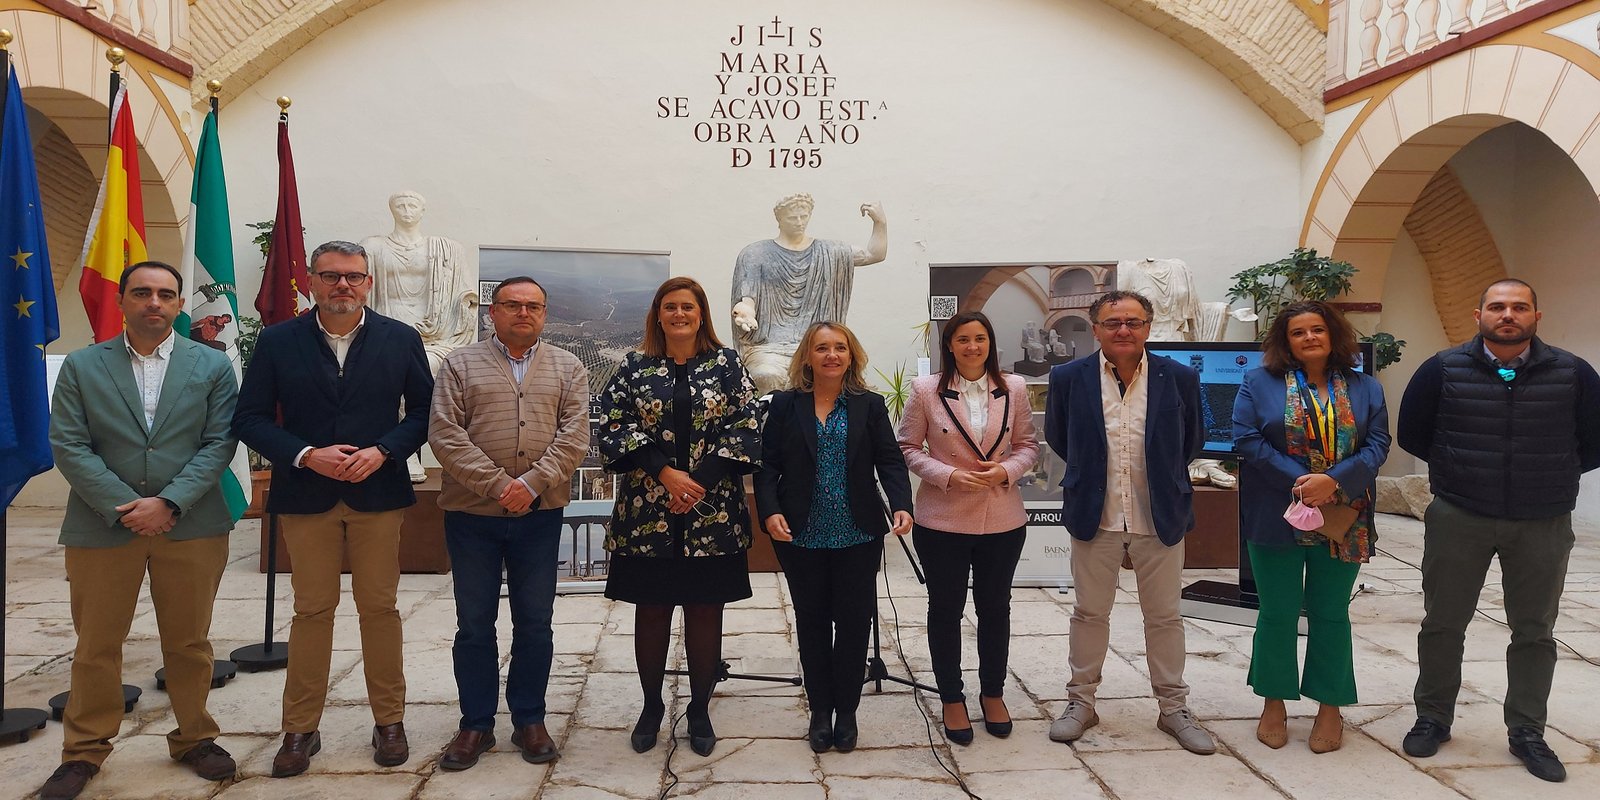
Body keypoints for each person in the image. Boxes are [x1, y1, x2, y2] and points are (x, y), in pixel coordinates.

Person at [40, 262, 241, 800]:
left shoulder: (213, 366)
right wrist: (125, 506)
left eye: (166, 294)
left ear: (179, 304)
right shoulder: (83, 366)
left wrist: (170, 501)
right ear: (124, 300)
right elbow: (69, 444)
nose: (155, 302)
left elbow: (220, 442)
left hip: (192, 522)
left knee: (190, 640)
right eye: (142, 292)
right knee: (97, 644)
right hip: (103, 524)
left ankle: (196, 736)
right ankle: (83, 752)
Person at [233, 240, 434, 778]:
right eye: (330, 276)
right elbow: (249, 418)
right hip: (307, 495)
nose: (342, 285)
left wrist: (385, 449)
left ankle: (389, 721)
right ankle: (300, 729)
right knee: (312, 612)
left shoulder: (400, 338)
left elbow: (424, 413)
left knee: (380, 610)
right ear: (312, 282)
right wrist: (304, 454)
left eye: (353, 276)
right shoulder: (279, 341)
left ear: (369, 283)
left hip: (378, 492)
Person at [1397, 279, 1600, 783]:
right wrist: (1462, 473)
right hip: (1460, 515)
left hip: (1542, 519)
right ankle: (1433, 717)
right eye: (1497, 307)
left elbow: (1595, 441)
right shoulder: (1442, 369)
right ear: (1478, 314)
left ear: (1536, 315)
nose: (1507, 314)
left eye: (1518, 307)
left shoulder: (1574, 373)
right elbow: (1414, 434)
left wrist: (1550, 476)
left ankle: (1527, 730)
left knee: (1535, 631)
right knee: (1443, 622)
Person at [1043, 290, 1215, 755]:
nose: (1124, 330)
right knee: (1089, 613)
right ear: (1096, 328)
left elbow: (1191, 439)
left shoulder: (1177, 377)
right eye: (1113, 322)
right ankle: (1081, 702)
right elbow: (1060, 436)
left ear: (1148, 327)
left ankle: (1173, 708)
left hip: (1158, 515)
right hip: (1094, 514)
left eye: (1134, 322)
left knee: (1164, 616)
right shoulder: (1068, 377)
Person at [428, 276, 589, 770]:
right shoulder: (459, 364)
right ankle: (475, 724)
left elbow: (575, 435)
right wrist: (499, 485)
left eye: (533, 306)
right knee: (474, 624)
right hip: (472, 515)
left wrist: (533, 484)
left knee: (535, 623)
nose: (523, 313)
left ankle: (529, 719)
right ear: (492, 312)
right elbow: (445, 435)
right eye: (512, 305)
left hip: (539, 517)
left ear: (544, 314)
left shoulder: (568, 367)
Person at [598, 276, 761, 757]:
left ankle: (701, 709)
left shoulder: (728, 364)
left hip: (712, 514)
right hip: (648, 512)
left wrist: (699, 481)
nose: (679, 315)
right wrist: (665, 473)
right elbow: (613, 422)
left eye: (687, 307)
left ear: (701, 313)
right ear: (658, 314)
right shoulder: (634, 367)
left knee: (705, 611)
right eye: (670, 307)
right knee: (651, 610)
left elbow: (748, 424)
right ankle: (651, 707)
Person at [1232, 301, 1390, 753]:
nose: (1308, 338)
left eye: (1317, 330)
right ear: (1285, 341)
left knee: (1330, 612)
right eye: (1297, 332)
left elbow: (1378, 444)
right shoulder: (1257, 382)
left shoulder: (1366, 388)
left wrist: (1333, 482)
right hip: (1276, 512)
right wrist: (1303, 482)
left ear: (1332, 334)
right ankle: (1274, 702)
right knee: (1277, 611)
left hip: (1345, 516)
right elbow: (1246, 438)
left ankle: (1329, 706)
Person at [756, 322, 914, 753]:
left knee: (852, 623)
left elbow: (890, 461)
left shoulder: (869, 405)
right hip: (800, 532)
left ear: (851, 355)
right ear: (808, 356)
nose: (831, 355)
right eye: (822, 348)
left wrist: (902, 503)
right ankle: (819, 710)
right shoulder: (786, 405)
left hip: (857, 532)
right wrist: (769, 510)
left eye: (839, 348)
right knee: (810, 623)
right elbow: (766, 466)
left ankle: (847, 712)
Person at [896, 311, 1038, 745]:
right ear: (950, 345)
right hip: (943, 519)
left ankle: (992, 693)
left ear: (990, 343)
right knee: (946, 609)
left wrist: (1006, 471)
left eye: (980, 339)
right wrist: (947, 475)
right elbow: (905, 445)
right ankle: (952, 696)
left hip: (1002, 518)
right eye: (963, 339)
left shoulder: (1013, 387)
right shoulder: (927, 390)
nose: (972, 347)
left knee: (995, 608)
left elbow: (1028, 445)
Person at [730, 193, 887, 395]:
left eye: (803, 216)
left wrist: (880, 222)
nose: (799, 222)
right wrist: (745, 311)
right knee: (766, 375)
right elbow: (747, 297)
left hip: (818, 346)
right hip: (769, 348)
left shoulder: (830, 251)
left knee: (837, 382)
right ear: (779, 219)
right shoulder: (756, 253)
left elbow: (873, 255)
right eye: (792, 218)